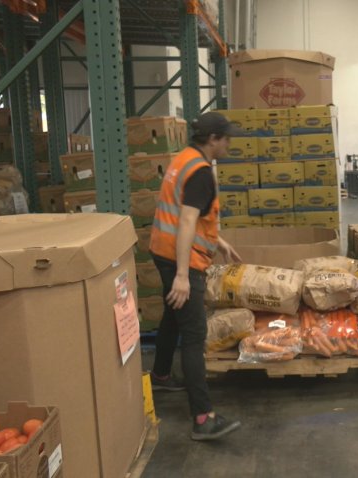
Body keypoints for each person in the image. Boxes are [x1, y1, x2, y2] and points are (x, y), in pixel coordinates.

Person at [149, 112, 243, 441]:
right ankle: (203, 418)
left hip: (162, 249)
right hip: (181, 260)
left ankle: (160, 375)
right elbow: (187, 222)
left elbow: (187, 216)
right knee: (193, 334)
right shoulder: (201, 172)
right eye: (225, 138)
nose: (229, 143)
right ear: (212, 140)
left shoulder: (184, 159)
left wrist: (220, 242)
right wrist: (182, 276)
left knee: (173, 319)